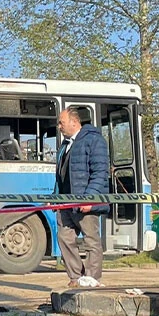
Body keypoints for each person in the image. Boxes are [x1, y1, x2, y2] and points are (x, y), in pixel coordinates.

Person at [54, 108, 110, 287]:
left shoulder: (94, 140)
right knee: (64, 237)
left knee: (91, 240)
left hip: (85, 201)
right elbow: (61, 176)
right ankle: (76, 276)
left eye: (61, 122)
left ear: (74, 122)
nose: (59, 126)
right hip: (66, 202)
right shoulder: (65, 145)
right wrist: (55, 198)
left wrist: (89, 198)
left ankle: (92, 278)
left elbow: (100, 172)